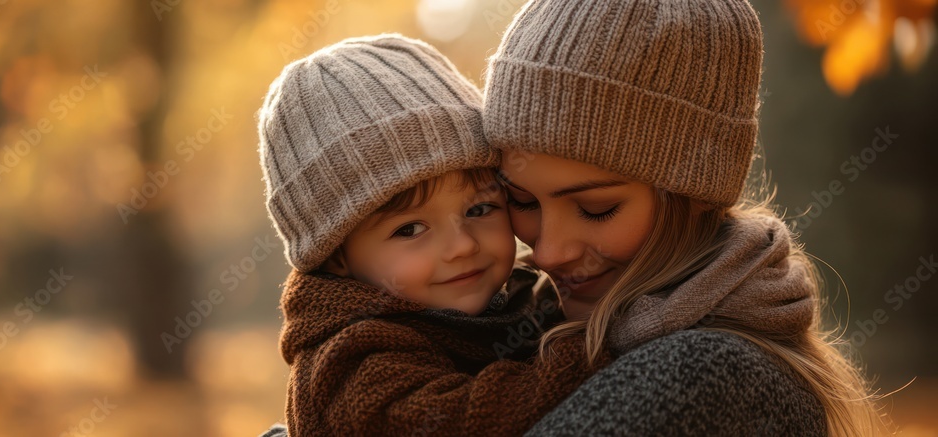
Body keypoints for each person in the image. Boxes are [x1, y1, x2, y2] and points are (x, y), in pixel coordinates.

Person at [483, 0, 888, 435]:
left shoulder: (706, 376)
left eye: (596, 209)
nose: (547, 253)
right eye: (522, 200)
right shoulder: (529, 319)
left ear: (695, 193)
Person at [257, 34, 607, 437]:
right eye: (409, 229)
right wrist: (594, 342)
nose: (462, 246)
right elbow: (471, 421)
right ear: (336, 256)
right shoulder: (351, 360)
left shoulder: (519, 296)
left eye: (479, 210)